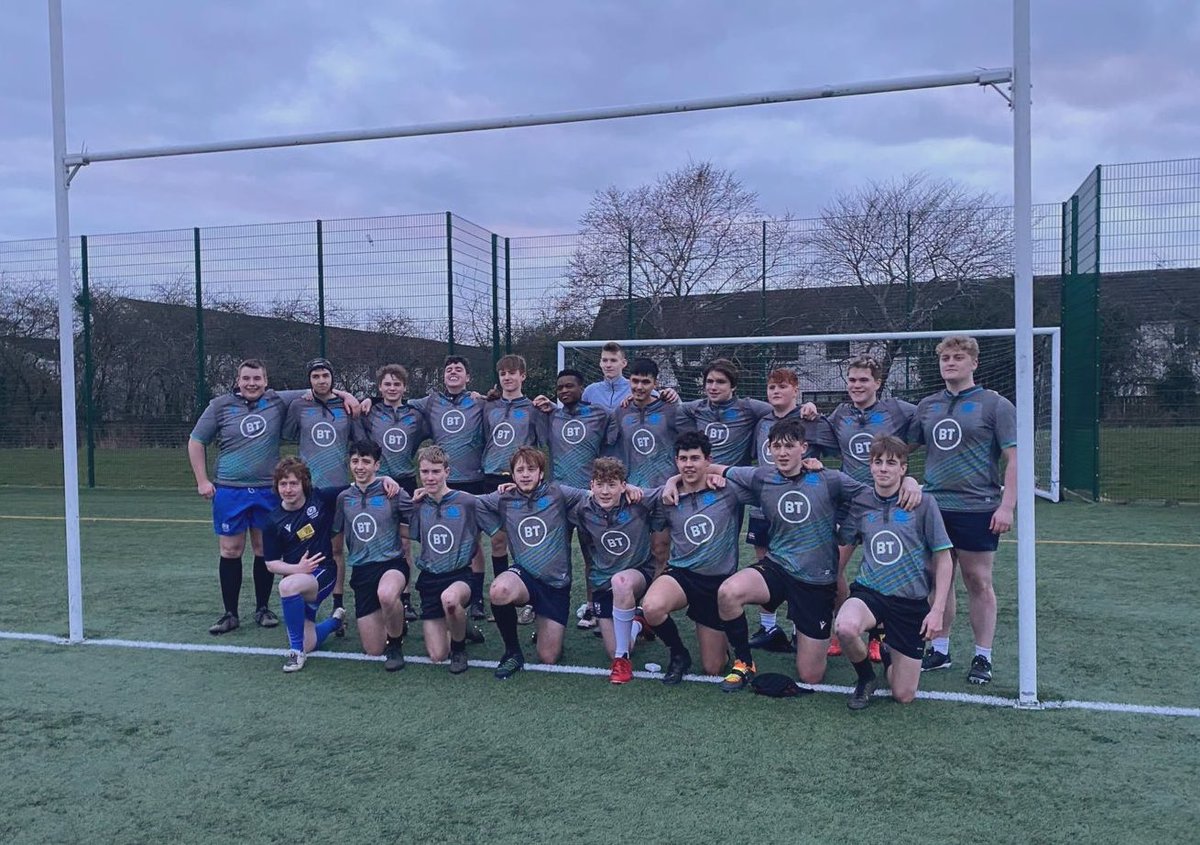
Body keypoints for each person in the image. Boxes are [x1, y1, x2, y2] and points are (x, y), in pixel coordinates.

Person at [710, 418, 920, 692]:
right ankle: (744, 662)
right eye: (776, 446)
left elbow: (878, 492)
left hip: (815, 581)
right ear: (769, 450)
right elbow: (711, 468)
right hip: (778, 567)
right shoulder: (761, 476)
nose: (782, 452)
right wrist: (676, 481)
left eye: (789, 446)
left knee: (811, 676)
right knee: (728, 592)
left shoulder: (829, 479)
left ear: (804, 448)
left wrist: (911, 482)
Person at [188, 358, 356, 636]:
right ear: (238, 381)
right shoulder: (219, 405)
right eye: (246, 379)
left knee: (263, 550)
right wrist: (202, 480)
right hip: (230, 489)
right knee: (230, 550)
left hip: (268, 489)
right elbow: (196, 441)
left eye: (257, 379)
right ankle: (230, 613)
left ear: (266, 381)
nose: (252, 384)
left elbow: (320, 387)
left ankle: (263, 608)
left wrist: (347, 394)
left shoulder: (276, 400)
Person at [908, 335, 1017, 686]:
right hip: (934, 507)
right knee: (937, 582)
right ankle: (939, 649)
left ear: (974, 363)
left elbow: (1014, 459)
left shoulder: (995, 405)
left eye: (957, 357)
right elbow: (902, 448)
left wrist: (1007, 506)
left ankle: (983, 656)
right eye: (945, 358)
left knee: (978, 581)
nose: (950, 363)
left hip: (976, 507)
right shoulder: (927, 405)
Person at [800, 355, 916, 661]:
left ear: (878, 383)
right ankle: (844, 622)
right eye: (851, 380)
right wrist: (810, 413)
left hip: (889, 504)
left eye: (863, 380)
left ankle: (880, 634)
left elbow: (924, 426)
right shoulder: (841, 414)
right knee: (833, 567)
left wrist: (905, 472)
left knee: (883, 568)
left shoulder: (896, 409)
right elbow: (816, 435)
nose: (856, 385)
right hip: (852, 504)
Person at [835, 435, 953, 709]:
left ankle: (888, 651)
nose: (884, 468)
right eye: (878, 462)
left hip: (909, 602)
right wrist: (832, 580)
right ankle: (865, 678)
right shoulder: (862, 501)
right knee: (845, 626)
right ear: (870, 467)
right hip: (870, 592)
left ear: (903, 468)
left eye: (891, 463)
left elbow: (943, 558)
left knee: (903, 694)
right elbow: (846, 542)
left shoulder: (923, 503)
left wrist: (936, 610)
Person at [641, 432, 748, 685]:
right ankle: (678, 653)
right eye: (683, 459)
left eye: (695, 458)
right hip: (682, 575)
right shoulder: (667, 497)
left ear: (708, 460)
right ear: (676, 462)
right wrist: (671, 482)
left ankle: (724, 645)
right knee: (652, 607)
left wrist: (809, 464)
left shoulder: (728, 490)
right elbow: (633, 496)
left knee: (713, 667)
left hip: (717, 582)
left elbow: (765, 481)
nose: (689, 464)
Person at [263, 456, 388, 673]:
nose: (288, 489)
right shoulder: (273, 521)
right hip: (299, 578)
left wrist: (386, 479)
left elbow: (359, 484)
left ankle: (295, 653)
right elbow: (271, 564)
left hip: (325, 574)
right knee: (309, 642)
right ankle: (335, 622)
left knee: (286, 587)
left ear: (304, 484)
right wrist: (296, 569)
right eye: (283, 484)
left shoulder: (320, 498)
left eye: (293, 483)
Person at [474, 446, 589, 680]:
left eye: (531, 469)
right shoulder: (504, 498)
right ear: (512, 475)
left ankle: (546, 624)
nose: (525, 474)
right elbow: (474, 503)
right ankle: (513, 652)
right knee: (499, 590)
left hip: (556, 584)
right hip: (524, 577)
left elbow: (594, 495)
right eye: (520, 470)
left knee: (548, 656)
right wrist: (498, 530)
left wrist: (628, 488)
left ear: (541, 473)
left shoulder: (559, 493)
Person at [744, 367, 829, 654]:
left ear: (796, 389)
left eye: (782, 387)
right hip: (764, 504)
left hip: (799, 509)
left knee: (797, 565)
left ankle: (798, 628)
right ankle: (768, 626)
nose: (776, 392)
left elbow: (826, 451)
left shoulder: (809, 419)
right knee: (765, 564)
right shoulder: (762, 420)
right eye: (771, 387)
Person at [568, 457, 663, 684]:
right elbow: (553, 493)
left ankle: (622, 662)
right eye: (600, 484)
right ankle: (639, 623)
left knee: (621, 582)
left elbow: (665, 492)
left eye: (612, 484)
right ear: (591, 486)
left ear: (623, 485)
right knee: (619, 644)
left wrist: (632, 489)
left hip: (637, 574)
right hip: (603, 582)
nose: (605, 491)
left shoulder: (639, 500)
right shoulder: (583, 508)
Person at [408, 355, 490, 619]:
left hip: (472, 479)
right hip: (440, 480)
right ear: (443, 377)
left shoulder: (478, 402)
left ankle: (475, 598)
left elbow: (500, 401)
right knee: (436, 536)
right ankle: (434, 592)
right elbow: (396, 400)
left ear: (468, 377)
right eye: (449, 369)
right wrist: (360, 399)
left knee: (473, 543)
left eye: (459, 369)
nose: (453, 372)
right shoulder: (431, 401)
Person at [533, 368, 613, 631]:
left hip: (590, 498)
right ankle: (549, 607)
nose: (564, 391)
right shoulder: (551, 415)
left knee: (593, 555)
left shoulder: (599, 414)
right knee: (555, 556)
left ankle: (593, 607)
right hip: (557, 498)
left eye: (569, 386)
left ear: (582, 388)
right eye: (560, 388)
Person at [332, 439, 414, 671]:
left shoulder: (393, 492)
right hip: (362, 571)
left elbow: (420, 518)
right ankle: (395, 620)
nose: (360, 467)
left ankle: (396, 645)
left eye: (366, 462)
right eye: (355, 461)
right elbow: (334, 536)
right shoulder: (344, 498)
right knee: (373, 649)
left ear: (377, 465)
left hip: (392, 564)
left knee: (387, 594)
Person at [356, 363, 428, 620]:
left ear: (404, 387)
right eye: (387, 384)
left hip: (406, 482)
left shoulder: (415, 414)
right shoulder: (370, 412)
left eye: (397, 384)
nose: (392, 388)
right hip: (378, 484)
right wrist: (367, 400)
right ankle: (378, 590)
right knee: (383, 539)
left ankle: (405, 598)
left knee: (406, 543)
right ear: (379, 388)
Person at [482, 354, 549, 625]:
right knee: (497, 541)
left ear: (523, 376)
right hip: (490, 477)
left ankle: (532, 600)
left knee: (525, 541)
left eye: (513, 373)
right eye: (503, 374)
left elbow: (541, 441)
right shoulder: (489, 406)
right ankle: (503, 596)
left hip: (522, 480)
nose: (508, 378)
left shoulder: (533, 407)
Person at [407, 446, 486, 674]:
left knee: (450, 600)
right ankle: (462, 626)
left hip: (459, 576)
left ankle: (459, 649)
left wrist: (506, 487)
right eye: (425, 472)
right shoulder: (418, 504)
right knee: (437, 655)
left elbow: (499, 504)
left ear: (447, 472)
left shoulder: (468, 501)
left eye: (435, 471)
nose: (430, 477)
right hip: (429, 579)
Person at [611, 357, 682, 574]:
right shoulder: (621, 411)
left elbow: (686, 446)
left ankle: (657, 606)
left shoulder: (670, 409)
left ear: (655, 384)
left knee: (660, 550)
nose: (639, 387)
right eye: (635, 381)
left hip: (663, 490)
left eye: (645, 382)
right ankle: (633, 599)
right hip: (634, 492)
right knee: (633, 550)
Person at [284, 358, 353, 489]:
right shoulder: (298, 406)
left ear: (332, 378)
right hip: (309, 485)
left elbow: (358, 442)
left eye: (326, 375)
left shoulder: (347, 406)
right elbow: (288, 436)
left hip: (340, 484)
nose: (321, 381)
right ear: (309, 380)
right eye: (315, 376)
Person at [582, 341, 633, 410]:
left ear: (624, 363)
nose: (608, 365)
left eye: (613, 360)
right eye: (605, 360)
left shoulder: (636, 388)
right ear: (600, 363)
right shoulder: (590, 391)